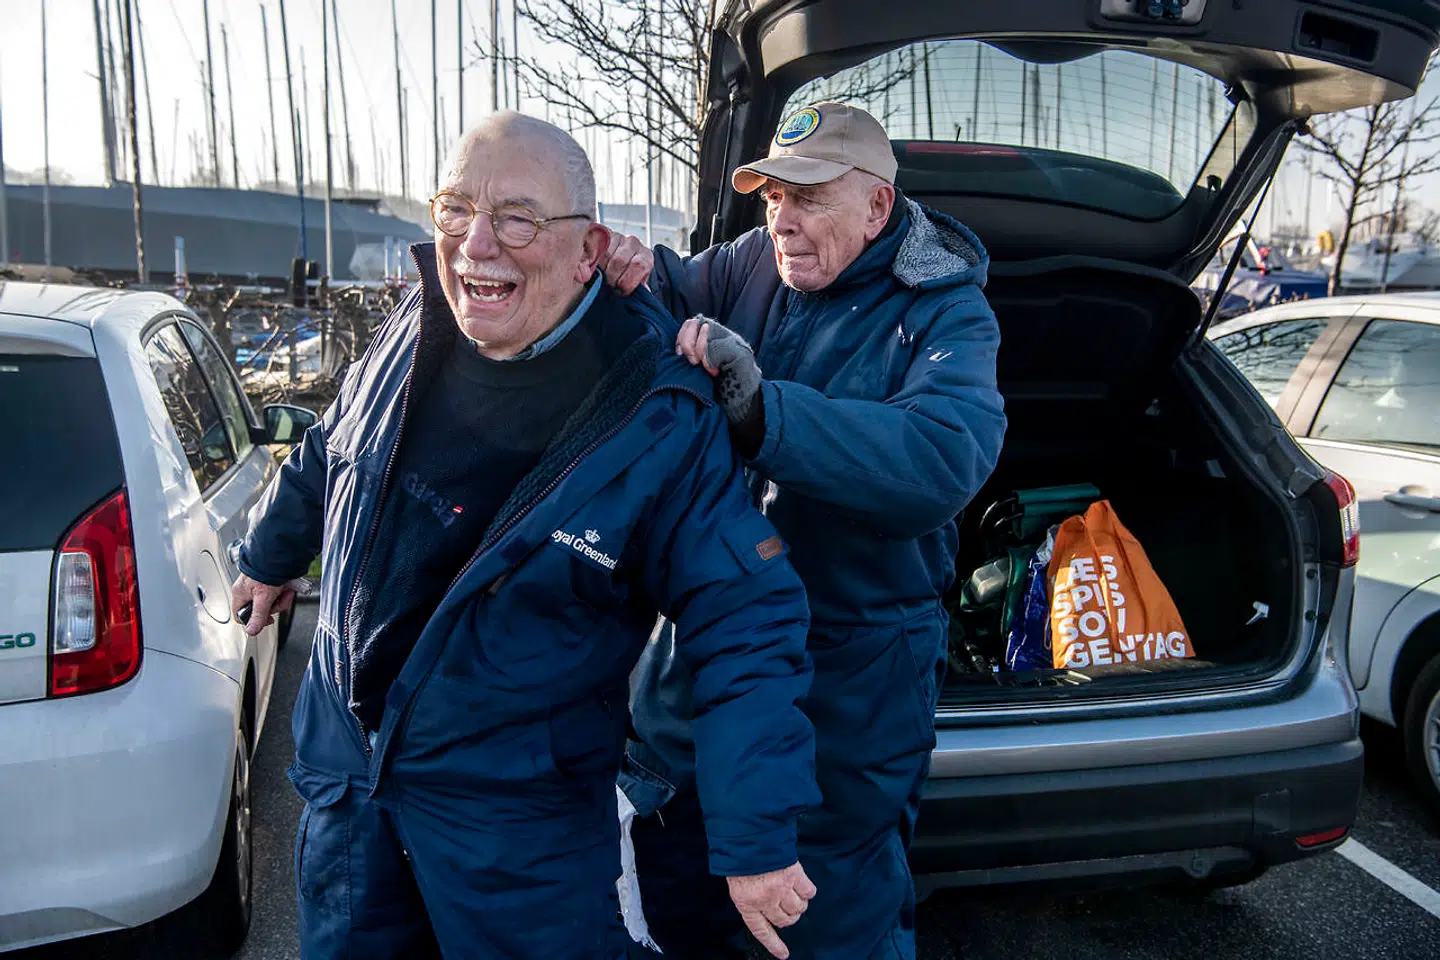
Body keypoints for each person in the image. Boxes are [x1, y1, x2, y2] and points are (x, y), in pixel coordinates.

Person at [230, 112, 822, 960]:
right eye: (455, 209)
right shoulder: (414, 326)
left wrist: (756, 834)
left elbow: (746, 619)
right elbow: (334, 443)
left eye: (517, 217)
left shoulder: (655, 412)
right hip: (350, 792)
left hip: (515, 833)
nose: (477, 244)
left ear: (591, 251)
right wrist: (272, 552)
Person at [603, 101, 1007, 959]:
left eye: (811, 196)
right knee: (679, 896)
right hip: (712, 648)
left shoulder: (945, 312)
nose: (783, 217)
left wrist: (764, 413)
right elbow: (668, 289)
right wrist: (628, 265)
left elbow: (942, 457)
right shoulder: (758, 260)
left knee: (827, 924)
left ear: (877, 208)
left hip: (849, 687)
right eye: (773, 194)